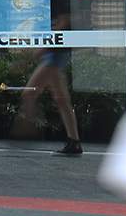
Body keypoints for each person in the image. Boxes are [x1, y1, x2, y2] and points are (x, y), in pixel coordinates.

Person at [17, 13, 83, 156]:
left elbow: (62, 25)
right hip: (55, 53)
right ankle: (74, 141)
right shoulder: (55, 4)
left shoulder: (59, 2)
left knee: (29, 94)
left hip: (54, 54)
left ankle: (27, 133)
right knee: (62, 100)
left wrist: (41, 49)